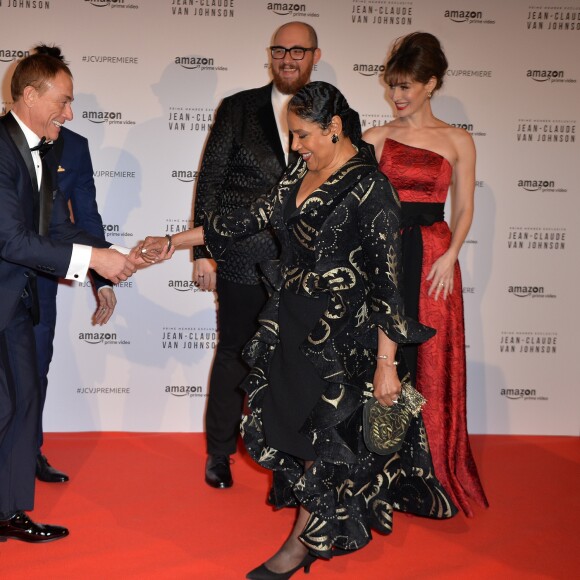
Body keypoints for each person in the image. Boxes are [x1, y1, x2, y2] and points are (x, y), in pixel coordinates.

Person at [141, 82, 457, 578]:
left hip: (340, 339)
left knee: (320, 442)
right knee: (296, 436)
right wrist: (175, 241)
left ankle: (299, 545)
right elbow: (250, 217)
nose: (295, 146)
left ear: (334, 128)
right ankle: (311, 531)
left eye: (303, 135)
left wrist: (385, 365)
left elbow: (388, 289)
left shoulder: (371, 189)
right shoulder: (300, 171)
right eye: (292, 136)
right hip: (291, 321)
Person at [0, 47, 142, 543]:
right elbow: (10, 239)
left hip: (23, 297)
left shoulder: (49, 146)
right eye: (63, 100)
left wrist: (111, 261)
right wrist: (94, 262)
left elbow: (62, 224)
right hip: (7, 289)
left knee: (22, 398)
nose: (70, 113)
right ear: (31, 95)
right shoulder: (2, 148)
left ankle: (10, 511)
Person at [364, 31, 488, 517]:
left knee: (431, 360)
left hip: (434, 256)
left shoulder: (458, 140)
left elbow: (465, 208)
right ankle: (380, 469)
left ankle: (431, 472)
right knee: (384, 357)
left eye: (407, 86)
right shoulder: (375, 138)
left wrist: (452, 253)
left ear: (431, 84)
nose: (397, 96)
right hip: (388, 254)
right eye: (393, 86)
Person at [193, 21, 321, 489]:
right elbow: (210, 180)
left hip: (305, 260)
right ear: (270, 55)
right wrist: (204, 249)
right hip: (243, 257)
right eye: (280, 50)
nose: (288, 58)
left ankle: (290, 457)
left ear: (315, 55)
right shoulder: (238, 108)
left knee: (297, 363)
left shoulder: (332, 108)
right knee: (235, 354)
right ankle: (220, 453)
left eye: (298, 51)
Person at [31, 46, 116, 485]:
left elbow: (86, 218)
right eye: (63, 101)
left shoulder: (76, 149)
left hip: (43, 279)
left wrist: (101, 277)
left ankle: (28, 453)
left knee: (35, 366)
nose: (70, 112)